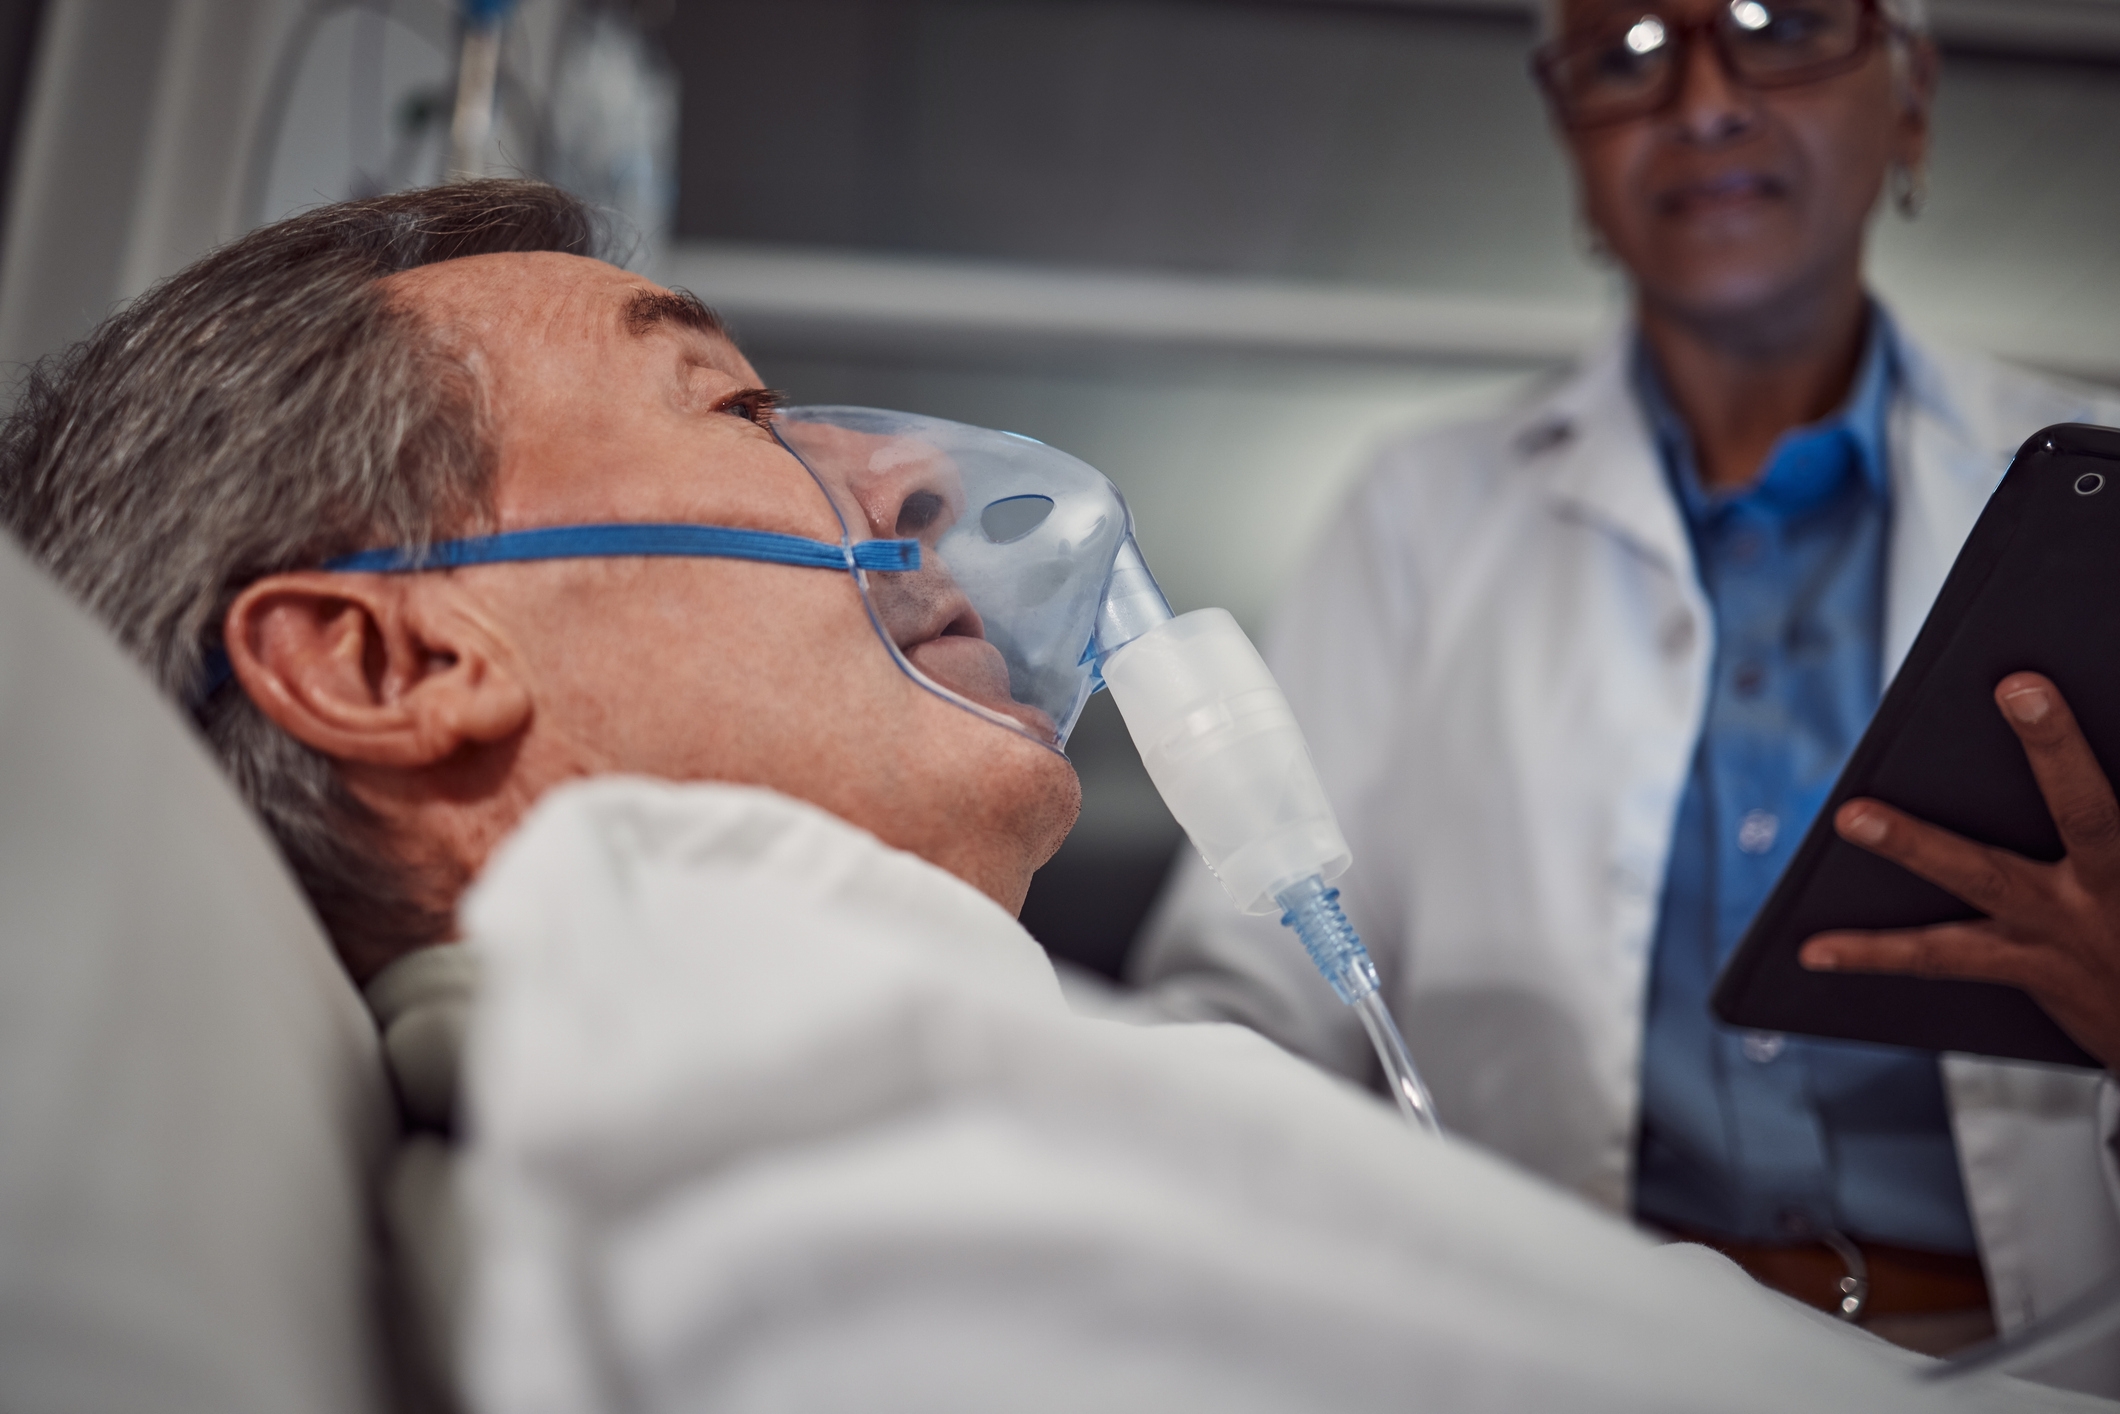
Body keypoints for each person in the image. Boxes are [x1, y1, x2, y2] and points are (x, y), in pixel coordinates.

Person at [3, 180, 2108, 1411]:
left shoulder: (860, 1031)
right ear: (389, 659)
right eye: (741, 404)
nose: (912, 478)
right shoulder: (738, 1046)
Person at [1128, 0, 2120, 1359]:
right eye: (1625, 53)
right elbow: (1252, 998)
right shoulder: (1420, 511)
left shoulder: (2092, 496)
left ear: (1913, 98)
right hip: (1569, 1353)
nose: (1701, 101)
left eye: (1782, 25)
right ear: (1571, 147)